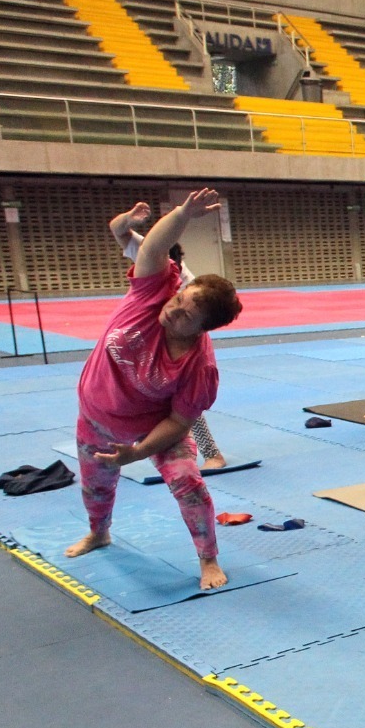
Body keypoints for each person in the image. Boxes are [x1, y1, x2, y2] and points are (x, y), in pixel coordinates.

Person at [66, 189, 243, 590]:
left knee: (188, 483)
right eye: (180, 299)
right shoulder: (151, 292)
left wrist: (137, 453)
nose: (173, 310)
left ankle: (209, 560)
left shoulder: (201, 366)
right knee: (95, 486)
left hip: (153, 429)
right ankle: (99, 532)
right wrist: (183, 213)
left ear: (202, 329)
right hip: (97, 417)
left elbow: (181, 420)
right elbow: (154, 246)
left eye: (186, 315)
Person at [109, 202, 227, 470]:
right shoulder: (150, 253)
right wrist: (127, 219)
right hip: (151, 332)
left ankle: (212, 453)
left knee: (185, 403)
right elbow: (117, 229)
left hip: (181, 338)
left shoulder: (189, 285)